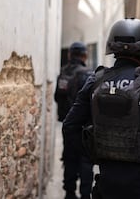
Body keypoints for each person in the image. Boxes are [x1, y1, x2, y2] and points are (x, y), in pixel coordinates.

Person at [63, 18, 140, 199]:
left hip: (107, 185)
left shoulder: (95, 81)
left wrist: (94, 154)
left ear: (113, 48)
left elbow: (70, 126)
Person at [54, 42, 94, 199]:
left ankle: (69, 193)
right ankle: (85, 194)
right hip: (85, 128)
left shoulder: (63, 73)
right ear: (84, 55)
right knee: (85, 161)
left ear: (70, 55)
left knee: (69, 158)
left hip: (68, 126)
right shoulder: (87, 74)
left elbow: (57, 97)